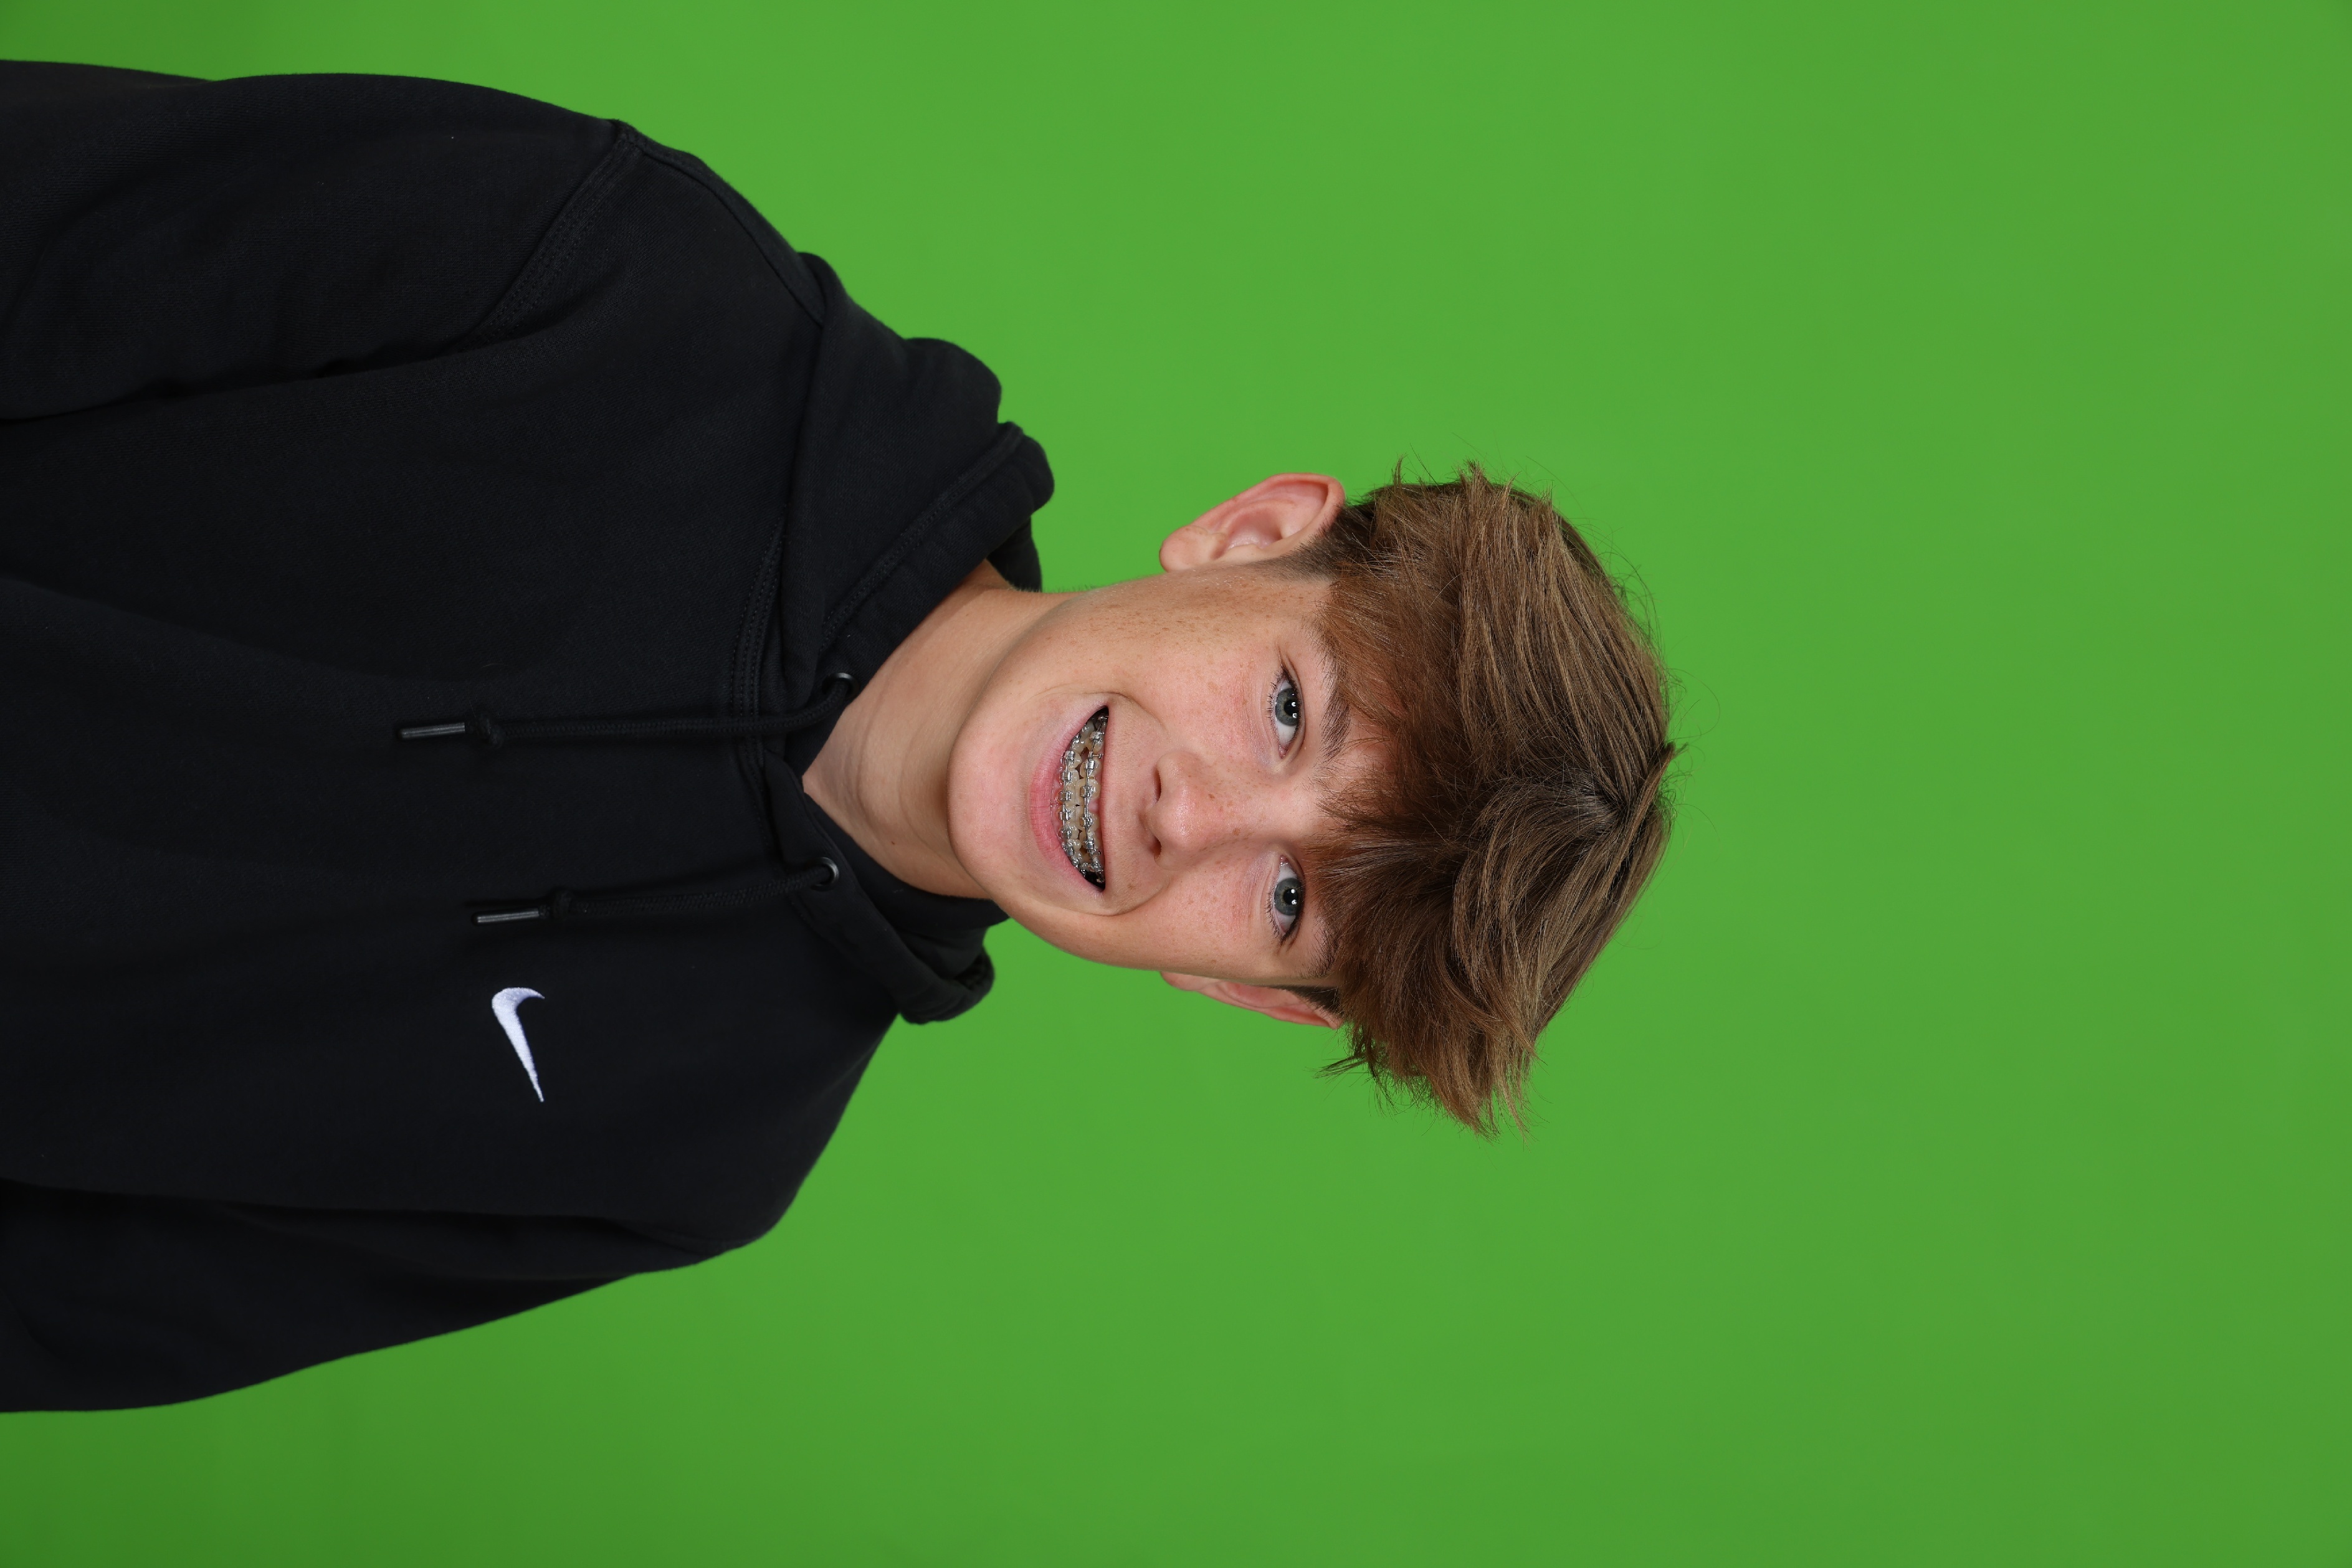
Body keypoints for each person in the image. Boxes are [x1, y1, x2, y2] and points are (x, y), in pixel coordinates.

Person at [0, 62, 1676, 1410]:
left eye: (1292, 901)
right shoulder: (626, 283)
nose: (1200, 816)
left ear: (1240, 989)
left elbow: (72, 1305)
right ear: (1250, 535)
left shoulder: (696, 1153)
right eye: (1292, 711)